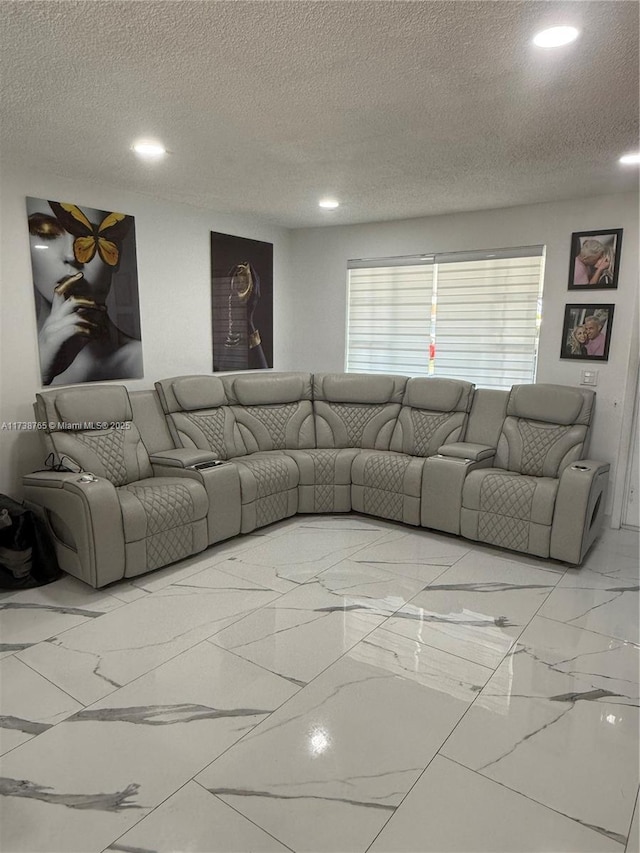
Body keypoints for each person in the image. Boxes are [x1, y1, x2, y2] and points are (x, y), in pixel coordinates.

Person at [27, 198, 143, 386]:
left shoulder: (136, 360)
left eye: (97, 238)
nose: (73, 255)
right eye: (45, 231)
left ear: (116, 257)